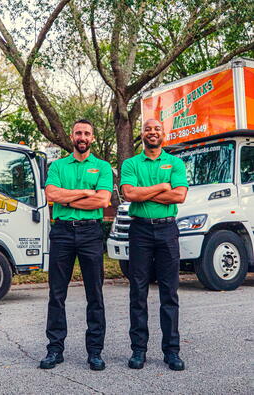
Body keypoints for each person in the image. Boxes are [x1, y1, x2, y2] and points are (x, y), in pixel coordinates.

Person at [39, 119, 113, 371]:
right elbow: (51, 195)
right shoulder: (58, 166)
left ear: (92, 138)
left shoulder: (102, 167)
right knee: (57, 294)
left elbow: (103, 201)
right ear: (72, 136)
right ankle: (54, 349)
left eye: (87, 133)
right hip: (61, 232)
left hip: (91, 233)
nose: (82, 136)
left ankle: (95, 352)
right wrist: (86, 194)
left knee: (95, 293)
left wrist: (68, 198)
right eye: (78, 132)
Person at [120, 119, 188, 371]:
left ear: (163, 134)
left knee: (169, 292)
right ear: (142, 134)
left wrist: (143, 191)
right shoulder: (131, 164)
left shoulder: (176, 162)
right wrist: (161, 187)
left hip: (167, 229)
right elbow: (129, 194)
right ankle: (139, 350)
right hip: (140, 230)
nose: (152, 132)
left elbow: (179, 195)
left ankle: (172, 351)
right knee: (138, 291)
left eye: (156, 129)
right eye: (148, 129)